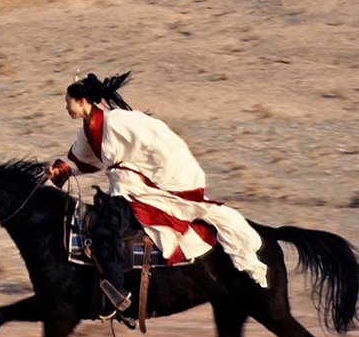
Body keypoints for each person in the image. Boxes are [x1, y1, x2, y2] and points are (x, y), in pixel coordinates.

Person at [48, 72, 270, 314]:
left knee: (104, 233)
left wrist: (145, 170)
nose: (65, 106)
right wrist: (58, 170)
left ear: (82, 101)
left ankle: (117, 291)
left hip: (135, 185)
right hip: (125, 183)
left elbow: (158, 138)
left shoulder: (116, 121)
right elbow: (78, 158)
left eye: (68, 101)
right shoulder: (89, 128)